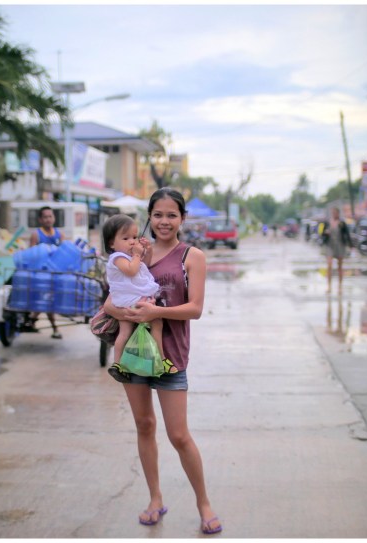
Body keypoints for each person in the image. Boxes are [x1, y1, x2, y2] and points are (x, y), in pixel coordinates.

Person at [102, 188, 221, 535]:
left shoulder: (192, 256)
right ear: (149, 217)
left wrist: (156, 311)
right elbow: (110, 300)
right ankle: (155, 498)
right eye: (158, 215)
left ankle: (204, 504)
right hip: (134, 358)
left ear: (182, 219)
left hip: (171, 356)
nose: (164, 221)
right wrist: (124, 310)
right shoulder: (133, 250)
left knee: (179, 435)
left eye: (172, 215)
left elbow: (195, 309)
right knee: (144, 426)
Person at [102, 214, 168, 383]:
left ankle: (118, 364)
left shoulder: (129, 257)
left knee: (126, 331)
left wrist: (147, 251)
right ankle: (160, 359)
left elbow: (142, 267)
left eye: (134, 237)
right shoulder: (117, 258)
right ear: (111, 243)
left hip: (127, 301)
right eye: (126, 238)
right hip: (130, 300)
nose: (132, 241)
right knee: (156, 323)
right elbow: (131, 271)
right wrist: (137, 255)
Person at [28, 206, 63, 338]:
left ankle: (32, 319)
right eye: (45, 217)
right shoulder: (36, 235)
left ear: (53, 218)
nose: (48, 219)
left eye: (50, 216)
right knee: (47, 299)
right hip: (40, 274)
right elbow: (31, 255)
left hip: (55, 274)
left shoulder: (59, 234)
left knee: (48, 300)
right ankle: (54, 328)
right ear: (40, 219)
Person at [322, 206, 352, 292]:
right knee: (329, 265)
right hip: (329, 245)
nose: (334, 214)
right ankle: (329, 286)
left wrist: (350, 245)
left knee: (340, 267)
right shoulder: (327, 223)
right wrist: (325, 233)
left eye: (335, 212)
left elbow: (347, 234)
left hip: (340, 245)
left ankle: (340, 287)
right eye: (333, 212)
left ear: (338, 213)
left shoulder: (342, 223)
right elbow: (322, 233)